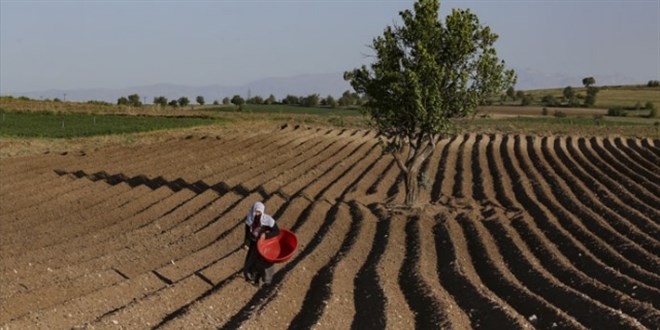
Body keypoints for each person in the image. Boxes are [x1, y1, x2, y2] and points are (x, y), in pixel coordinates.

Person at [243, 201, 279, 286]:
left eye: (259, 212)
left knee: (262, 263)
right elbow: (247, 234)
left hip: (264, 244)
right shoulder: (249, 220)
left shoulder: (268, 220)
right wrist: (246, 244)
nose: (257, 214)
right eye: (256, 211)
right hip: (254, 244)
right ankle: (254, 280)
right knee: (250, 262)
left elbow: (277, 231)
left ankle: (265, 281)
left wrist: (266, 235)